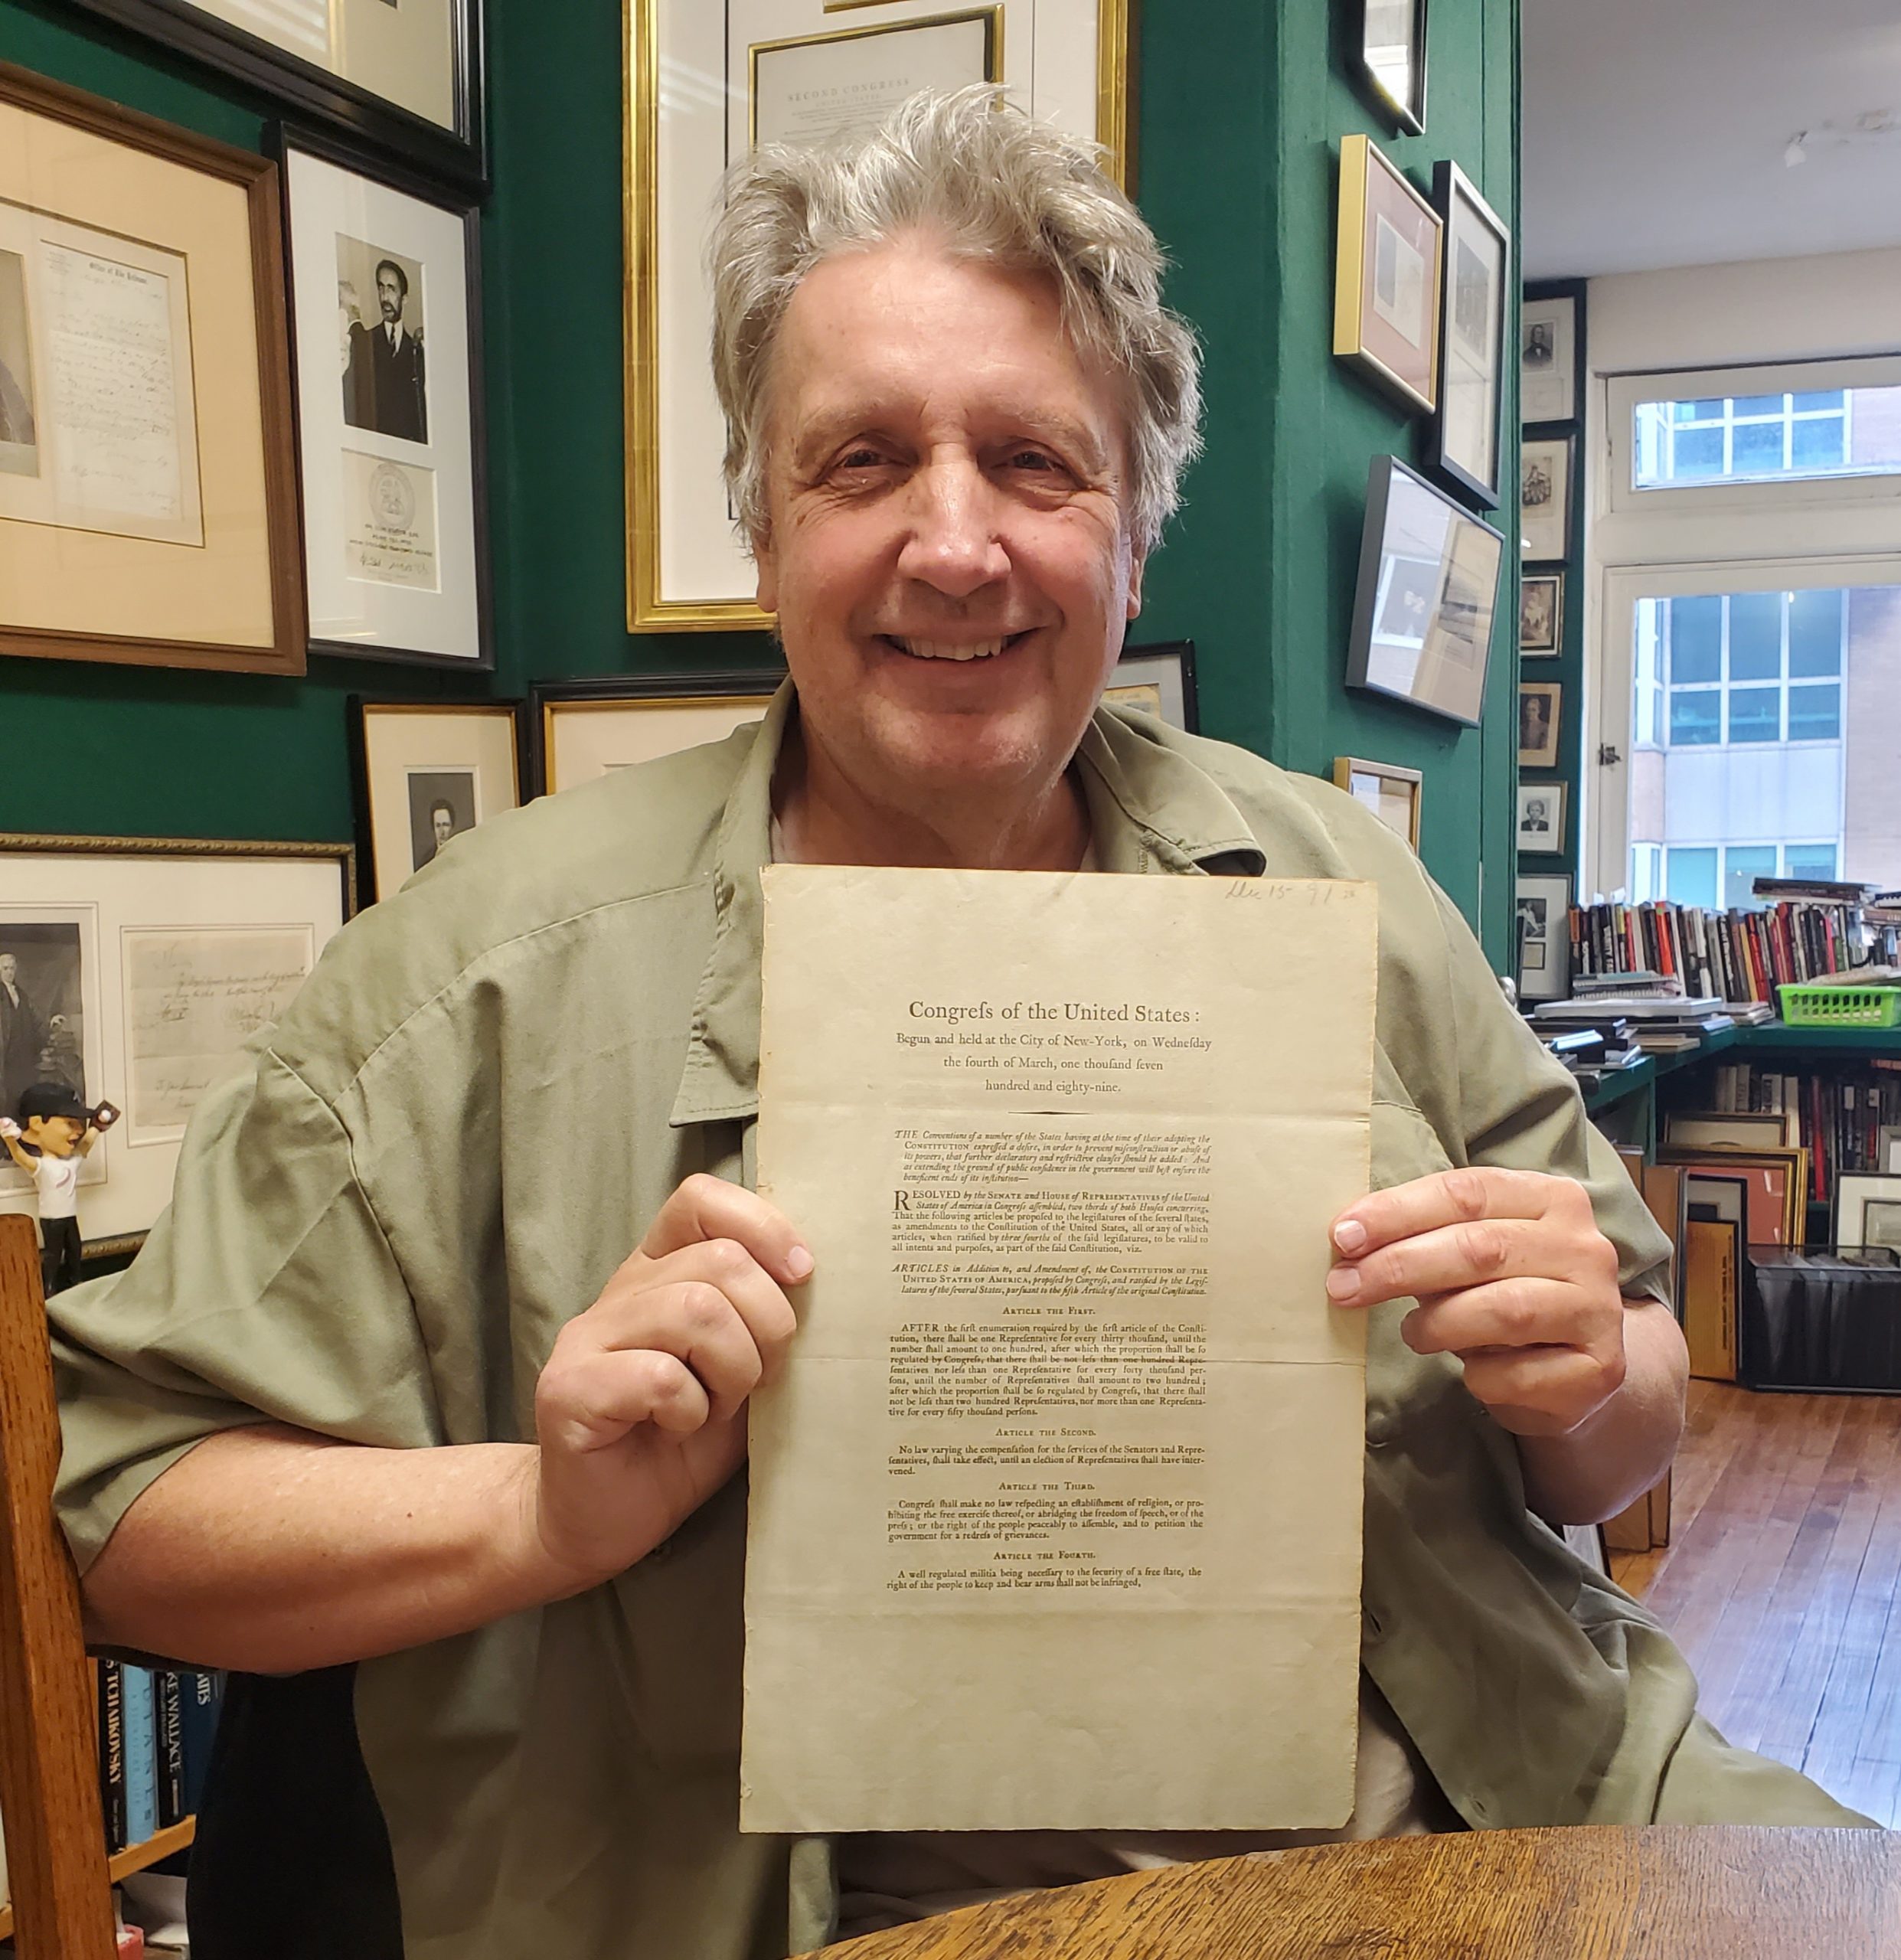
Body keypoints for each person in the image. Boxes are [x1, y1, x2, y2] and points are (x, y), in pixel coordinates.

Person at [51, 88, 1865, 1960]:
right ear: (761, 535)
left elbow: (1630, 1420)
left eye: (1030, 461)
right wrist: (544, 1510)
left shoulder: (1337, 881)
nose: (952, 543)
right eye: (859, 463)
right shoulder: (468, 985)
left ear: (1131, 533)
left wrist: (1584, 1374)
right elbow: (130, 1514)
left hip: (1526, 1825)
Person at [2, 1083, 100, 1296]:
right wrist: (10, 1140)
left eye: (80, 1123)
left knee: (75, 1250)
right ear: (37, 1123)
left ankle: (76, 1282)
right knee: (53, 1254)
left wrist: (98, 1126)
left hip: (69, 1216)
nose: (79, 1130)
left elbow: (85, 1145)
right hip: (52, 1219)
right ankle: (49, 1288)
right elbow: (22, 1158)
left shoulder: (71, 1162)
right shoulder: (43, 1166)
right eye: (70, 1123)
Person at [343, 256, 427, 444]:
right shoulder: (364, 342)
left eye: (391, 289)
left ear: (404, 298)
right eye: (381, 288)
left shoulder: (417, 352)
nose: (384, 297)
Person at [0, 950, 47, 1122]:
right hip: (6, 1055)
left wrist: (50, 1025)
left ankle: (22, 1133)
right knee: (7, 1097)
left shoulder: (21, 993)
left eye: (12, 968)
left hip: (24, 1055)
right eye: (5, 969)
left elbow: (37, 1019)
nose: (9, 972)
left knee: (24, 1094)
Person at [419, 796, 457, 866]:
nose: (441, 831)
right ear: (433, 828)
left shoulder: (460, 854)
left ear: (452, 826)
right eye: (438, 826)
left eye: (445, 825)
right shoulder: (426, 861)